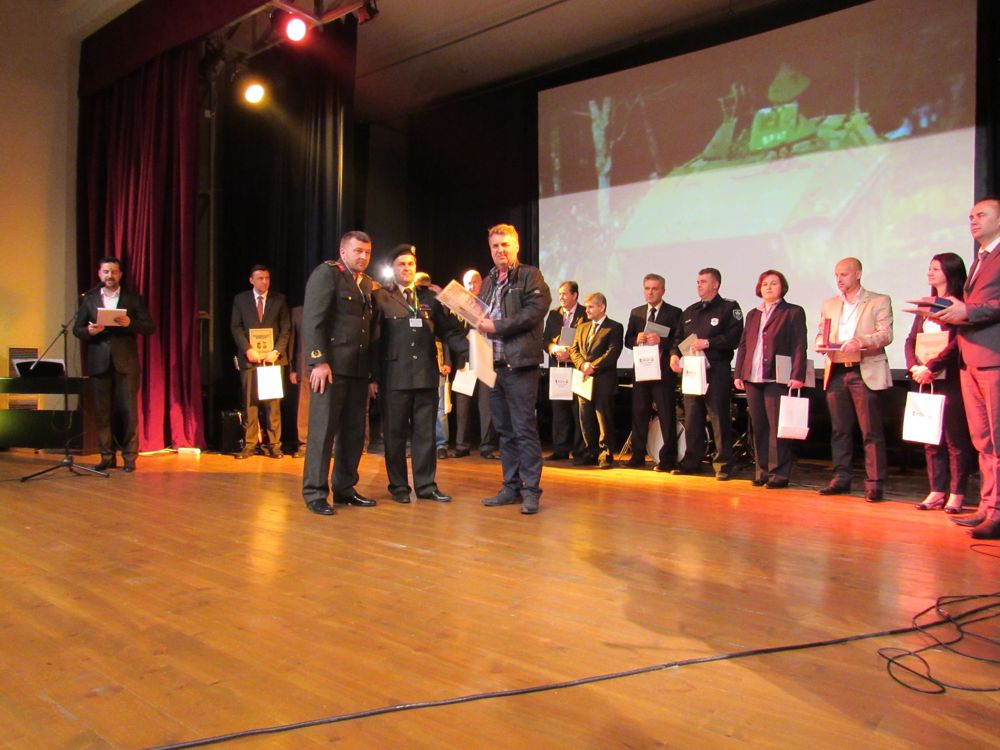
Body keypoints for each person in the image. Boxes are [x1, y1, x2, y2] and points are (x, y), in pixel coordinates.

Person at [373, 246, 466, 503]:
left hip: (426, 376)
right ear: (393, 268)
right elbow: (374, 341)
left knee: (425, 434)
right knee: (395, 435)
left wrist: (473, 352)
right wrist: (373, 377)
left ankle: (426, 486)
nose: (406, 268)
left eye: (411, 264)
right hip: (394, 378)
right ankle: (399, 487)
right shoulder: (381, 297)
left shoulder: (430, 298)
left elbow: (449, 332)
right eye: (401, 264)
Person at [301, 231, 379, 516]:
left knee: (354, 434)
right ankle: (315, 493)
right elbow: (313, 321)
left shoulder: (366, 283)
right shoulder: (327, 274)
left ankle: (345, 488)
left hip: (358, 370)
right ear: (343, 252)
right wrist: (318, 361)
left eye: (367, 252)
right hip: (330, 370)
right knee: (322, 433)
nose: (363, 256)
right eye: (358, 251)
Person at [935, 197, 1000, 539]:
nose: (973, 220)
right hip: (970, 359)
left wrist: (967, 312)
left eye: (981, 215)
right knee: (983, 441)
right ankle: (988, 506)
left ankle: (998, 511)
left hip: (994, 358)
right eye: (971, 216)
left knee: (998, 440)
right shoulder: (980, 259)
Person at [476, 223, 552, 515]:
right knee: (504, 431)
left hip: (519, 365)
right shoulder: (488, 281)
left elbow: (533, 313)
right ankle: (511, 487)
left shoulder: (530, 275)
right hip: (493, 366)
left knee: (524, 430)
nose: (500, 250)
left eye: (505, 245)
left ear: (516, 246)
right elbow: (480, 315)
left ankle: (531, 490)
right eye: (495, 246)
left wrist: (496, 326)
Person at [814, 257, 893, 502]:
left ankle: (874, 483)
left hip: (863, 369)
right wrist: (820, 343)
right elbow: (822, 332)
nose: (839, 279)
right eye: (836, 275)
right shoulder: (829, 304)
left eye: (844, 274)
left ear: (858, 274)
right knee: (840, 430)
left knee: (870, 430)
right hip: (837, 370)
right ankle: (841, 478)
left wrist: (860, 341)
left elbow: (886, 334)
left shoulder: (879, 301)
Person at [904, 253, 975, 513]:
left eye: (935, 269)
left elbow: (958, 342)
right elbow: (911, 339)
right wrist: (914, 366)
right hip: (924, 378)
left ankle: (957, 494)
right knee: (929, 436)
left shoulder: (960, 304)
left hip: (949, 377)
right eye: (929, 268)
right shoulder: (927, 305)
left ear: (950, 272)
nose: (930, 273)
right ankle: (936, 490)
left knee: (954, 438)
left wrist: (932, 366)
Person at [73, 256, 155, 473]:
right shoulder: (90, 299)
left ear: (120, 275)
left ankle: (129, 457)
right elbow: (77, 329)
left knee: (128, 411)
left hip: (126, 363)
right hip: (99, 362)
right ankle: (106, 456)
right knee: (102, 412)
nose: (110, 276)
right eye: (106, 272)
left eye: (114, 272)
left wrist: (131, 323)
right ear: (100, 274)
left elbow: (149, 327)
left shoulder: (132, 299)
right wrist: (89, 331)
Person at [733, 270, 807, 489]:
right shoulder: (753, 314)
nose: (768, 287)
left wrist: (797, 374)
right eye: (765, 283)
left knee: (777, 428)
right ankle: (762, 471)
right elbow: (744, 345)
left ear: (782, 287)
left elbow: (799, 345)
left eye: (773, 283)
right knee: (759, 427)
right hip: (752, 377)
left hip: (777, 377)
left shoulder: (792, 312)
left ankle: (778, 474)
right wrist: (739, 373)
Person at [669, 268, 743, 480]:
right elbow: (678, 339)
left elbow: (735, 337)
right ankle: (691, 461)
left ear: (715, 284)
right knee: (692, 416)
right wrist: (674, 356)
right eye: (697, 281)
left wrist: (709, 343)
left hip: (716, 370)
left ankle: (723, 464)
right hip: (692, 369)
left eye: (703, 281)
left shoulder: (729, 307)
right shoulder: (690, 311)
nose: (698, 285)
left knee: (718, 416)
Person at [230, 265, 291, 459]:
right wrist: (248, 349)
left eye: (267, 278)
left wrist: (276, 351)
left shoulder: (279, 299)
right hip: (250, 359)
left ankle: (274, 445)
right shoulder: (241, 300)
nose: (264, 281)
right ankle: (250, 444)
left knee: (272, 404)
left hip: (271, 361)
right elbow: (235, 327)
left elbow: (286, 328)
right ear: (251, 280)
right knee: (250, 403)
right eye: (260, 278)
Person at [624, 273, 682, 471]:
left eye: (654, 289)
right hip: (642, 371)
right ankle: (637, 455)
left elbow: (678, 340)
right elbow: (627, 340)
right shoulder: (637, 312)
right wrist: (636, 339)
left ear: (663, 290)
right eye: (647, 288)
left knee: (666, 414)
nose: (650, 292)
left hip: (663, 372)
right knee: (639, 413)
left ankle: (668, 458)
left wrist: (661, 341)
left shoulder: (674, 312)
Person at [569, 292, 624, 469]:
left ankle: (605, 454)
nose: (587, 310)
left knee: (604, 420)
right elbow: (574, 350)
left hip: (603, 380)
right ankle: (590, 452)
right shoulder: (582, 327)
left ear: (602, 307)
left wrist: (593, 366)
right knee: (585, 419)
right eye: (586, 307)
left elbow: (613, 352)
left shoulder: (614, 327)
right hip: (584, 380)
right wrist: (582, 365)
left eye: (591, 307)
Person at [451, 269, 498, 459]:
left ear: (481, 283)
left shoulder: (490, 304)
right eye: (468, 283)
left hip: (485, 357)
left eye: (475, 282)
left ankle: (486, 446)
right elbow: (453, 333)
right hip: (465, 359)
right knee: (462, 404)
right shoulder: (457, 307)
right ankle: (461, 445)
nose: (472, 286)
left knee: (486, 405)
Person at [542, 280, 586, 461]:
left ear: (575, 295)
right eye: (559, 294)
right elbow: (545, 340)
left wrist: (572, 354)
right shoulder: (554, 314)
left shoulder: (585, 314)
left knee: (578, 411)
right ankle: (560, 449)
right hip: (558, 368)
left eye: (565, 294)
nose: (561, 297)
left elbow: (588, 341)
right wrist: (554, 349)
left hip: (577, 368)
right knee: (559, 410)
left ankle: (579, 450)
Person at [287, 305, 308, 457]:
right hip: (303, 365)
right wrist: (292, 368)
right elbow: (292, 341)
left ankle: (329, 443)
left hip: (327, 365)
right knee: (304, 405)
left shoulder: (331, 307)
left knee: (327, 406)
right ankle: (304, 443)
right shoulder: (297, 312)